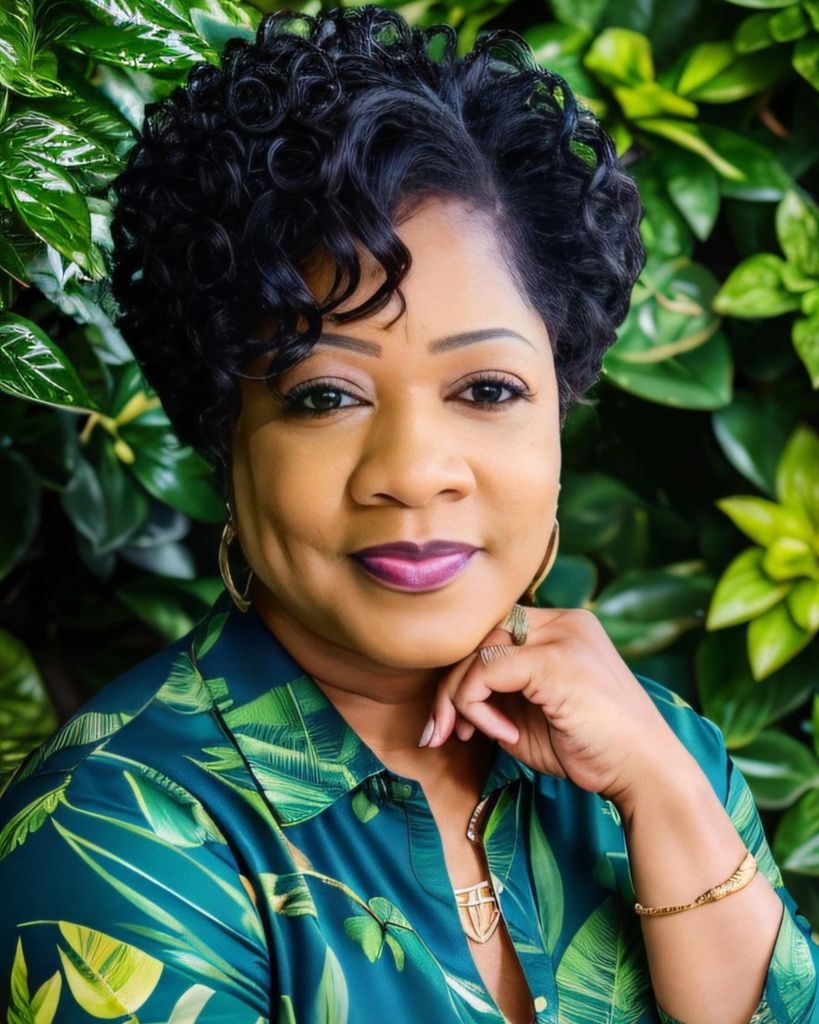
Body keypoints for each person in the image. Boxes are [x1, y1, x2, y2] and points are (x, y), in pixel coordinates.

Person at [1, 6, 817, 1023]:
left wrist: (667, 794)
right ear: (225, 440)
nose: (416, 473)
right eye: (325, 396)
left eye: (487, 389)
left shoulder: (660, 750)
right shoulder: (112, 834)